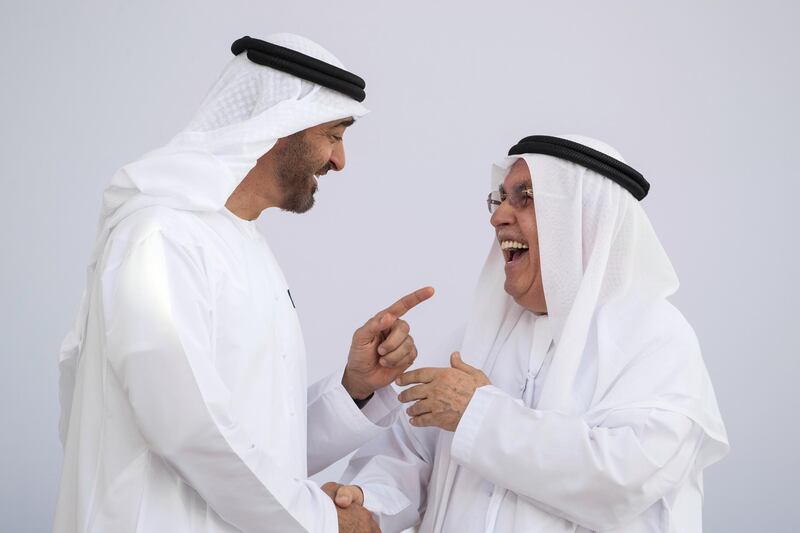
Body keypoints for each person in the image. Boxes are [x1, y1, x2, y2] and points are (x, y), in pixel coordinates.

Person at [54, 34, 433, 533]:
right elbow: (190, 430)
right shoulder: (161, 235)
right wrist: (325, 522)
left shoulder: (244, 246)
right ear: (281, 127)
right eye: (334, 135)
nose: (340, 161)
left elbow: (259, 440)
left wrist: (353, 388)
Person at [328, 135, 729, 532]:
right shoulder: (477, 338)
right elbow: (410, 453)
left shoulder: (656, 337)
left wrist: (477, 415)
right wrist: (368, 502)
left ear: (583, 219)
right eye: (500, 198)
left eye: (526, 197)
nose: (498, 216)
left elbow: (624, 481)